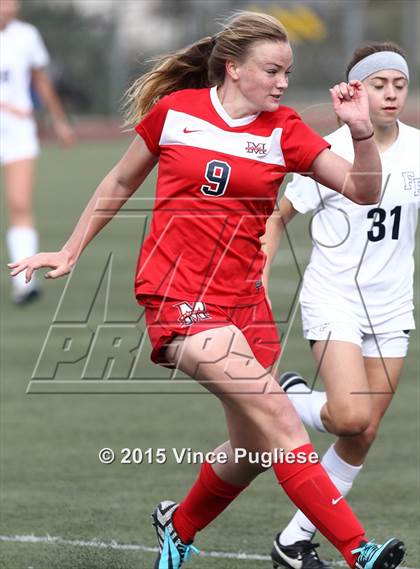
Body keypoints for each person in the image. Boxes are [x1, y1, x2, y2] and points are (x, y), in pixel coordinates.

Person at [9, 13, 406, 569]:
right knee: (282, 420)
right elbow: (121, 180)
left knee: (252, 450)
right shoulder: (176, 114)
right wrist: (71, 249)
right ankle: (358, 551)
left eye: (288, 73)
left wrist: (362, 132)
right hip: (178, 298)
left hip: (246, 305)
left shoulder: (285, 129)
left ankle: (180, 525)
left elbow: (364, 191)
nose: (282, 83)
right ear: (233, 67)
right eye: (272, 71)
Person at [262, 42, 418, 569]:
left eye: (399, 84)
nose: (392, 93)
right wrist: (257, 273)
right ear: (356, 91)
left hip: (392, 305)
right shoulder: (329, 151)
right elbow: (278, 216)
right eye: (379, 85)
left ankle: (294, 540)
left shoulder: (419, 150)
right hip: (335, 299)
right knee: (349, 415)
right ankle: (288, 400)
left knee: (364, 430)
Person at [0, 0, 75, 305]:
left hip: (17, 131)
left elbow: (40, 81)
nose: (9, 6)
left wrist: (59, 120)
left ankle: (23, 282)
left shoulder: (27, 35)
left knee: (19, 203)